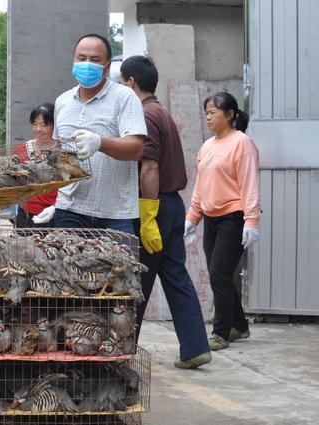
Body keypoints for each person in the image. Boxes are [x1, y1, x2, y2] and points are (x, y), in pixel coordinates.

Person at [119, 56, 211, 369]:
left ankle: (121, 351)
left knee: (137, 281)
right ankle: (196, 347)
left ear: (130, 82)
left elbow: (150, 166)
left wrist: (146, 215)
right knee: (175, 276)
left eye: (121, 83)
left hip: (154, 206)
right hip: (172, 205)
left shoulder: (144, 114)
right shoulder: (162, 112)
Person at [185, 91, 260, 351]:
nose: (208, 117)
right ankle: (239, 325)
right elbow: (200, 185)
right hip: (212, 219)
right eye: (206, 112)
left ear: (230, 115)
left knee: (219, 273)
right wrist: (192, 217)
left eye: (213, 112)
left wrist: (251, 221)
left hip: (234, 217)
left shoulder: (242, 143)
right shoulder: (207, 146)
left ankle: (221, 332)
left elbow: (249, 184)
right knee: (221, 275)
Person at [52, 34, 146, 234]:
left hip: (115, 214)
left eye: (95, 60)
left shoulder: (124, 97)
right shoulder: (62, 101)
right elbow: (57, 153)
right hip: (69, 210)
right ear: (73, 60)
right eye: (81, 58)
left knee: (119, 266)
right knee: (68, 266)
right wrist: (53, 201)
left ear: (107, 66)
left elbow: (136, 148)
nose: (87, 64)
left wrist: (99, 143)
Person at [12, 103, 58, 227]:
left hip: (53, 215)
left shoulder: (62, 151)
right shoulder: (22, 150)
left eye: (43, 125)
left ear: (54, 125)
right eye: (34, 124)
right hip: (25, 216)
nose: (38, 129)